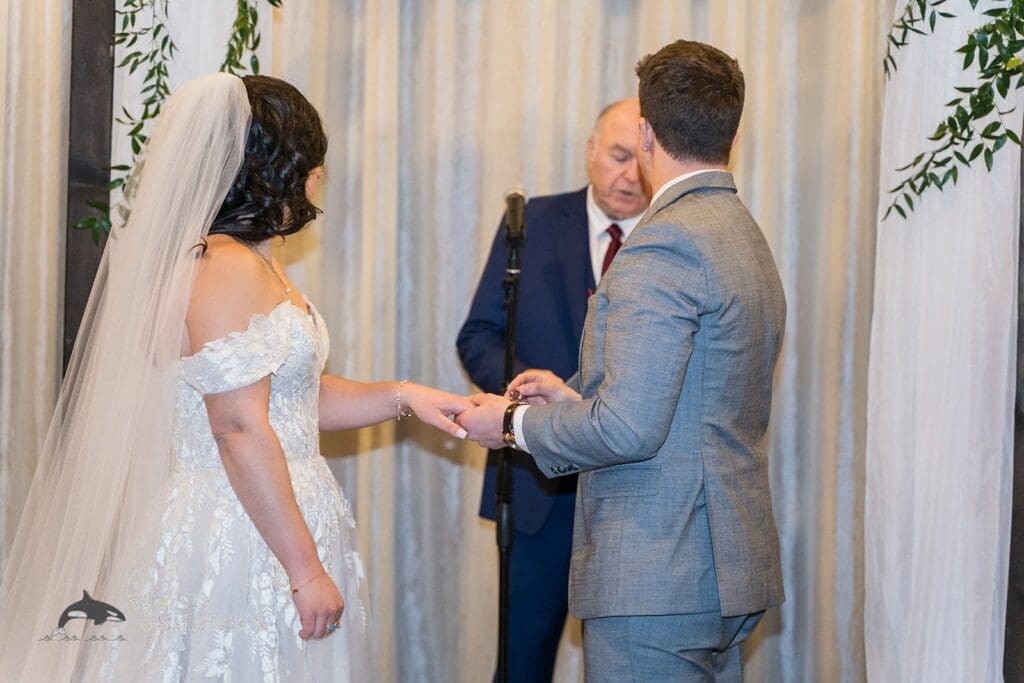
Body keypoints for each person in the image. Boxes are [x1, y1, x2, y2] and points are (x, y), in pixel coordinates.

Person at [0, 73, 471, 681]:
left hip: (275, 512)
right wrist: (303, 571)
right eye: (310, 162)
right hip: (243, 529)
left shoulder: (250, 264)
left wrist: (406, 396)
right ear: (275, 167)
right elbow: (239, 427)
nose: (317, 179)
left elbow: (288, 402)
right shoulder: (223, 266)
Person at [458, 40, 786, 682]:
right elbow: (689, 390)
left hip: (656, 578)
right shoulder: (744, 233)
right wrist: (573, 395)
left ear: (645, 135)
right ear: (734, 131)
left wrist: (510, 425)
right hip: (723, 567)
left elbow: (629, 429)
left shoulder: (661, 244)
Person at [456, 99, 648, 681]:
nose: (629, 176)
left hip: (631, 499)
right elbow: (479, 336)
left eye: (641, 161)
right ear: (590, 150)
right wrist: (525, 402)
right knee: (521, 667)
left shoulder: (672, 237)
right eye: (617, 156)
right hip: (537, 491)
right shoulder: (531, 224)